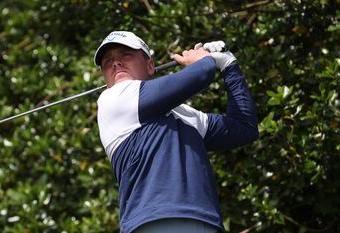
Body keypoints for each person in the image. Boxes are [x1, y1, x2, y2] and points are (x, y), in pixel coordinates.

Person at [94, 31, 258, 233]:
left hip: (206, 222)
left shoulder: (186, 115)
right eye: (108, 61)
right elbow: (201, 73)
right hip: (153, 223)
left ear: (150, 65)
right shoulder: (113, 99)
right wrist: (203, 59)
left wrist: (229, 67)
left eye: (125, 54)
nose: (115, 63)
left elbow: (244, 128)